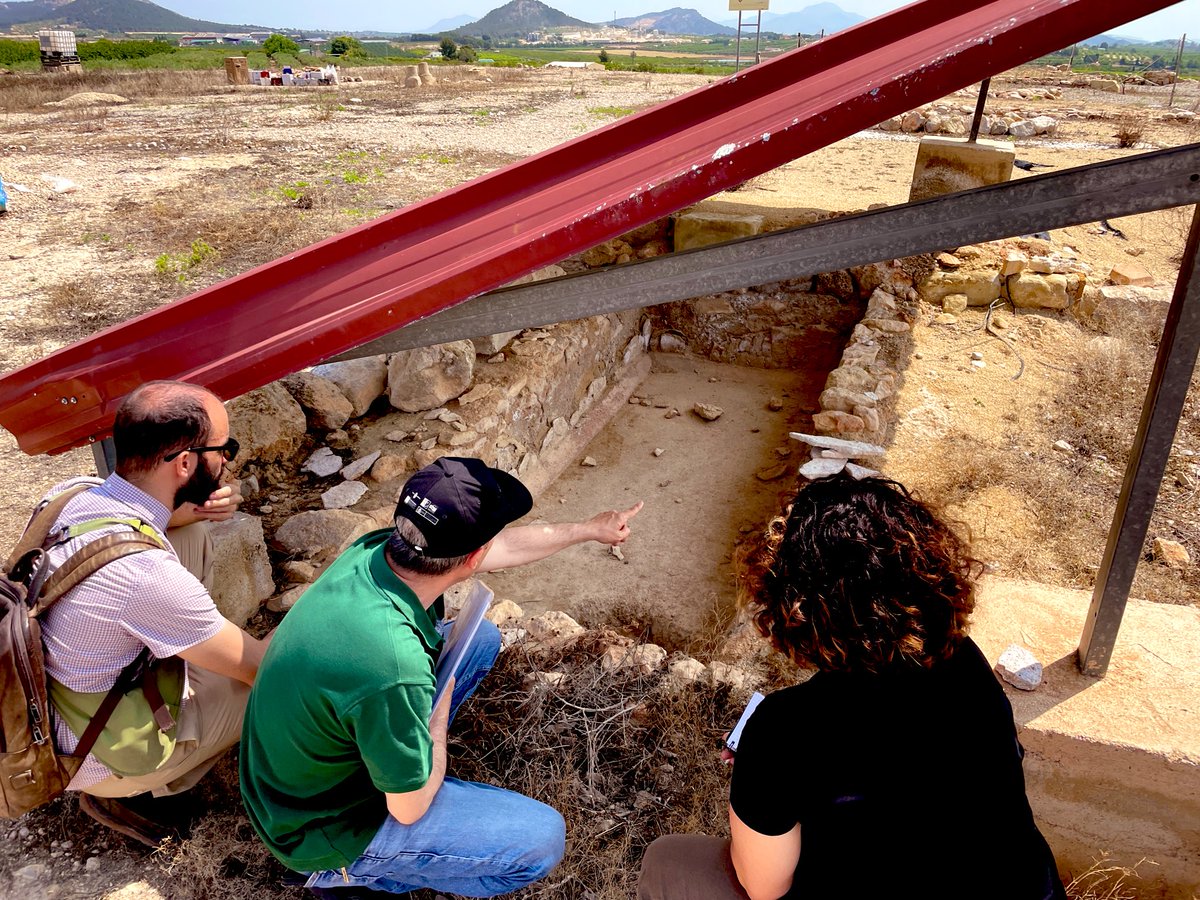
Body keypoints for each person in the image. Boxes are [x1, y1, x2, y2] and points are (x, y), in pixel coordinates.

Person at [638, 474, 1066, 900]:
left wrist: (762, 779)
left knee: (667, 860)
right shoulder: (962, 658)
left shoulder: (785, 728)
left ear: (792, 608)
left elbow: (764, 887)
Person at [240, 456, 643, 898]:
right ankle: (348, 876)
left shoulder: (377, 549)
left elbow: (504, 547)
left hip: (291, 774)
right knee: (542, 838)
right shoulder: (393, 668)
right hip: (320, 826)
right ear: (472, 556)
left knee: (481, 638)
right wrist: (435, 726)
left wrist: (588, 529)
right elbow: (409, 808)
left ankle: (398, 767)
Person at [39, 380, 269, 845]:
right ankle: (130, 791)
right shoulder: (145, 576)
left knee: (192, 535)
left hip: (54, 705)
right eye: (223, 450)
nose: (226, 462)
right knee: (272, 692)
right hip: (96, 751)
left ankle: (189, 645)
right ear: (185, 463)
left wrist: (197, 510)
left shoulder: (70, 495)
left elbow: (157, 520)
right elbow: (263, 669)